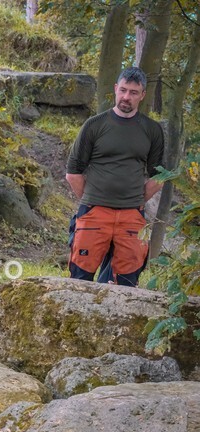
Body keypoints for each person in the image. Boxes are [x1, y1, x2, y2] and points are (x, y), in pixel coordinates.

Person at [66, 66, 164, 286]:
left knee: (127, 285)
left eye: (133, 92)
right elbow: (73, 173)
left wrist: (134, 200)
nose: (126, 97)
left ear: (143, 95)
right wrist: (93, 198)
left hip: (131, 217)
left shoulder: (152, 130)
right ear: (115, 89)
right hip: (93, 213)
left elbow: (159, 177)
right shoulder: (94, 125)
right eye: (123, 90)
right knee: (79, 282)